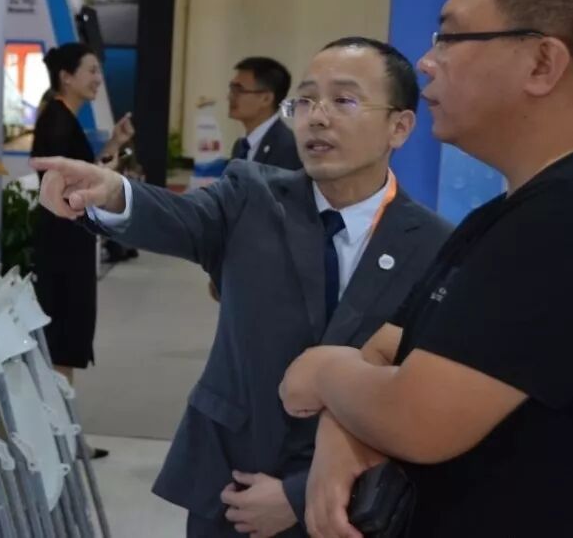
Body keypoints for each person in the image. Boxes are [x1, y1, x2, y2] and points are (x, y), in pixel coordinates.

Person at [33, 37, 450, 537]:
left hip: (349, 505)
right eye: (306, 101)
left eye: (344, 100)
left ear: (399, 126)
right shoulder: (252, 196)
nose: (317, 118)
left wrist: (297, 495)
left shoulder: (434, 246)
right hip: (231, 489)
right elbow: (178, 216)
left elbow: (423, 403)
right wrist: (112, 192)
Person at [280, 0, 573, 538]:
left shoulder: (554, 223)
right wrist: (343, 428)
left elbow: (416, 414)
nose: (426, 61)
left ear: (543, 63)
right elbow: (388, 350)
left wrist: (323, 369)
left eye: (453, 37)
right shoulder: (503, 215)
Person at [30, 42, 134, 386]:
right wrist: (105, 175)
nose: (98, 78)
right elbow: (66, 184)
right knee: (62, 337)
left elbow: (82, 170)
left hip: (68, 239)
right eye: (91, 70)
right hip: (62, 244)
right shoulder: (57, 121)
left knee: (66, 336)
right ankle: (60, 418)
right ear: (66, 77)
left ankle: (63, 417)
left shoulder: (62, 118)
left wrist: (114, 144)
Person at [229, 57, 302, 169]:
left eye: (239, 90)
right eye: (232, 89)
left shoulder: (288, 148)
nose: (230, 97)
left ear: (266, 99)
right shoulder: (240, 147)